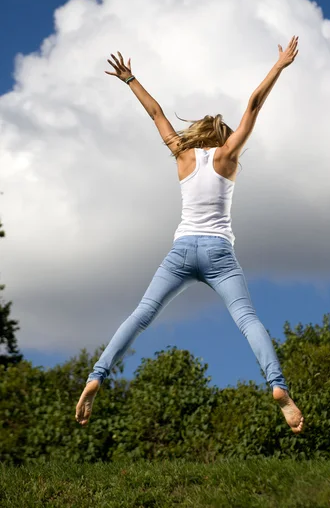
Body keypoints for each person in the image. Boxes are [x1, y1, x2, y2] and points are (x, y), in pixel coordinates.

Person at [76, 36, 304, 434]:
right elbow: (254, 103)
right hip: (219, 253)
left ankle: (98, 374)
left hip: (181, 251)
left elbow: (156, 113)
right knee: (248, 319)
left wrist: (130, 79)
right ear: (224, 137)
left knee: (142, 315)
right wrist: (279, 66)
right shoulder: (227, 156)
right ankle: (278, 387)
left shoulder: (181, 152)